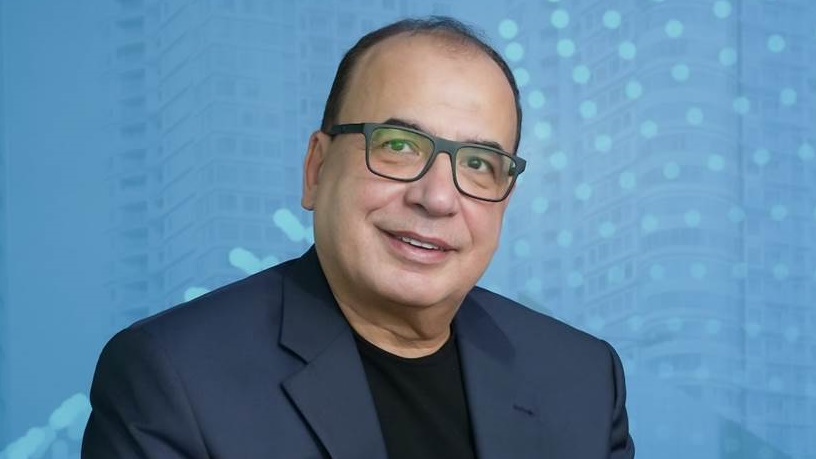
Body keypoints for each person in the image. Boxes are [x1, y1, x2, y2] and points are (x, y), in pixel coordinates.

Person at [82, 16, 635, 459]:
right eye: (398, 146)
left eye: (478, 163)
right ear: (317, 169)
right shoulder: (174, 379)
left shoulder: (584, 380)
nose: (437, 198)